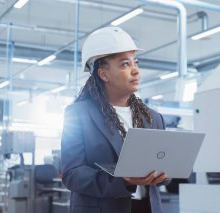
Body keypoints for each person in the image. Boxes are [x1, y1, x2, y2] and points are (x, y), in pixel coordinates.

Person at [61, 27, 170, 213]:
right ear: (104, 74)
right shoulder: (78, 114)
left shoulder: (153, 117)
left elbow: (165, 167)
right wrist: (122, 180)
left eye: (136, 62)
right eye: (125, 64)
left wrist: (164, 175)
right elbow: (72, 174)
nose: (135, 71)